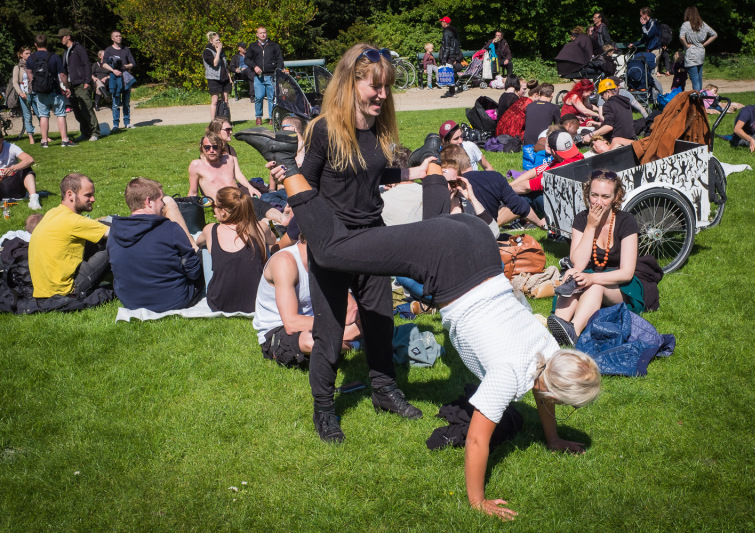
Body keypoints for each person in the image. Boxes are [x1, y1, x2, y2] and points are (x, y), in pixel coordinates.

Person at [243, 127, 601, 519]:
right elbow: (478, 443)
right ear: (550, 386)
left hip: (476, 242)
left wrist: (553, 438)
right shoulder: (509, 376)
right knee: (329, 250)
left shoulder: (549, 348)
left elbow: (543, 392)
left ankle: (432, 170)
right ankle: (287, 159)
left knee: (422, 235)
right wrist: (478, 501)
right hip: (451, 260)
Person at [264, 44, 437, 443]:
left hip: (372, 237)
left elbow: (374, 172)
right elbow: (305, 180)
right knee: (329, 332)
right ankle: (324, 409)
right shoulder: (325, 129)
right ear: (351, 82)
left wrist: (418, 170)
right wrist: (282, 173)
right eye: (374, 86)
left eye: (386, 88)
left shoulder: (376, 128)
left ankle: (384, 391)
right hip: (332, 244)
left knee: (379, 320)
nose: (381, 95)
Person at [547, 170, 642, 347]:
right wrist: (591, 226)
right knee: (571, 271)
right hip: (588, 275)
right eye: (594, 195)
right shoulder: (582, 219)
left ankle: (573, 331)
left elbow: (627, 273)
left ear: (615, 197)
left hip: (619, 285)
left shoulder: (626, 221)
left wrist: (591, 278)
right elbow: (579, 263)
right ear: (587, 194)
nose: (598, 202)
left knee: (594, 285)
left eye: (605, 196)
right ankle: (559, 325)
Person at [254, 237, 362, 367]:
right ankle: (356, 344)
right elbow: (291, 323)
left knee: (369, 318)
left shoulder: (328, 260)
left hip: (320, 323)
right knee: (310, 342)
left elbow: (352, 308)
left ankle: (340, 342)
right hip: (280, 330)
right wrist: (339, 324)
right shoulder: (285, 262)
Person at [108, 178, 204, 311]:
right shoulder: (170, 228)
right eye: (161, 200)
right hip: (173, 300)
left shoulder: (115, 231)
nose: (163, 205)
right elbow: (193, 271)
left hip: (130, 302)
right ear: (148, 201)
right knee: (204, 255)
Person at [28, 173, 111, 298]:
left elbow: (89, 226)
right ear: (70, 195)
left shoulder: (53, 212)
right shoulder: (73, 221)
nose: (93, 199)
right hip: (67, 290)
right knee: (114, 242)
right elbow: (118, 234)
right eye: (88, 195)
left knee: (95, 237)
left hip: (43, 289)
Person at [196, 186, 273, 312]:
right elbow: (273, 240)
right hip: (257, 302)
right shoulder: (260, 227)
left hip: (219, 303)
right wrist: (266, 224)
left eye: (214, 205)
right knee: (263, 243)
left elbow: (197, 243)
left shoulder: (210, 229)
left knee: (205, 248)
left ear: (223, 212)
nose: (213, 208)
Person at [188, 133, 292, 226]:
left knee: (260, 205)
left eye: (215, 147)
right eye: (207, 147)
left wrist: (249, 187)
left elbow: (238, 175)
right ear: (202, 148)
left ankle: (282, 218)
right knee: (253, 217)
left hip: (240, 199)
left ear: (220, 148)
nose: (211, 150)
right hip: (224, 207)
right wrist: (192, 218)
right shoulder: (197, 165)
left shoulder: (228, 159)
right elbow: (193, 193)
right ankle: (272, 226)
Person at [26, 34, 76, 148]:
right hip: (55, 90)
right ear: (47, 43)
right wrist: (67, 87)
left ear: (35, 45)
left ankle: (44, 141)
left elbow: (29, 72)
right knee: (60, 114)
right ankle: (64, 140)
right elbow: (62, 74)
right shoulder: (54, 57)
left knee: (43, 115)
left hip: (40, 92)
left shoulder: (31, 58)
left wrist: (34, 82)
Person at [510, 130, 584, 197]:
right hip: (572, 194)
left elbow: (526, 187)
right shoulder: (578, 156)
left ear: (553, 151)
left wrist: (506, 190)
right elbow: (536, 170)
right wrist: (510, 185)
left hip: (562, 203)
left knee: (526, 196)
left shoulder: (558, 171)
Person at [0, 127, 41, 213]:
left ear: (2, 140)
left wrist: (13, 168)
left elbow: (30, 160)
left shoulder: (11, 147)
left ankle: (33, 199)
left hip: (13, 185)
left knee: (26, 168)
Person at [57, 28, 99, 143]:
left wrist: (87, 81)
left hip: (81, 84)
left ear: (68, 36)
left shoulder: (79, 49)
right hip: (71, 85)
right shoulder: (65, 53)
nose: (60, 39)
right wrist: (65, 86)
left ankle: (95, 132)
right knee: (77, 111)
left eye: (62, 37)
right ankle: (85, 133)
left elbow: (87, 64)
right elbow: (64, 71)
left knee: (87, 108)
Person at [245, 26, 284, 125]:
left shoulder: (273, 45)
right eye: (261, 33)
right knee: (259, 97)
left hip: (271, 75)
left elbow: (280, 60)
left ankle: (272, 117)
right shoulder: (252, 46)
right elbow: (247, 60)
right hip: (259, 76)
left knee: (271, 98)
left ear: (267, 33)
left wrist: (277, 71)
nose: (263, 34)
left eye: (264, 32)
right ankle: (258, 117)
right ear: (257, 34)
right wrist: (254, 67)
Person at [582, 79, 635, 148]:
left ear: (608, 92)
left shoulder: (608, 105)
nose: (601, 97)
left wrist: (590, 135)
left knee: (585, 132)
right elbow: (618, 122)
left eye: (602, 94)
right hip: (630, 138)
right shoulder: (624, 101)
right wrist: (598, 124)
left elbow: (609, 127)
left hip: (616, 141)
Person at [103, 29, 137, 132]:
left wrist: (126, 66)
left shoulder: (126, 49)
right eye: (117, 36)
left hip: (125, 78)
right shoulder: (109, 50)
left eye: (120, 36)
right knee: (116, 103)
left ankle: (127, 123)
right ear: (112, 38)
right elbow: (104, 64)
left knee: (126, 102)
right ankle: (116, 125)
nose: (119, 37)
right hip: (114, 78)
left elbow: (133, 63)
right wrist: (113, 70)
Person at [522, 83, 560, 170]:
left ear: (539, 93)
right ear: (552, 94)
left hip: (527, 142)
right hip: (542, 143)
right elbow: (558, 127)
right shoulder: (554, 107)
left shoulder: (529, 106)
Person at [679, 6, 717, 91]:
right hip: (701, 52)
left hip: (691, 53)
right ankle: (700, 98)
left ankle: (697, 100)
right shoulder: (702, 24)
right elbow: (714, 34)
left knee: (695, 81)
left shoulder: (686, 24)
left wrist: (686, 45)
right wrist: (704, 44)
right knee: (699, 79)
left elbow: (681, 37)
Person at [11, 47, 38, 145]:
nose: (29, 55)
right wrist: (20, 93)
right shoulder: (17, 67)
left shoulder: (34, 65)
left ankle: (45, 136)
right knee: (27, 116)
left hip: (35, 93)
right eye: (26, 53)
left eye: (30, 53)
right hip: (24, 94)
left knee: (40, 114)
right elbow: (15, 82)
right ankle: (31, 136)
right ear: (21, 55)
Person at [203, 32, 231, 121]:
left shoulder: (222, 51)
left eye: (219, 39)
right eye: (216, 40)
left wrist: (229, 78)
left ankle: (226, 120)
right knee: (214, 101)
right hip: (213, 79)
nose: (219, 41)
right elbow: (215, 63)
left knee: (225, 100)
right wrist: (218, 51)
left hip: (224, 78)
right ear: (211, 41)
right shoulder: (207, 51)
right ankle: (213, 121)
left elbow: (225, 65)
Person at [438, 16, 463, 98]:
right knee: (452, 72)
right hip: (454, 54)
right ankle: (452, 90)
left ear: (445, 23)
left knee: (449, 73)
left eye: (442, 21)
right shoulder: (454, 32)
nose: (441, 23)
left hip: (449, 55)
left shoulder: (447, 32)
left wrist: (444, 58)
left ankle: (452, 92)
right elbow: (456, 45)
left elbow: (447, 46)